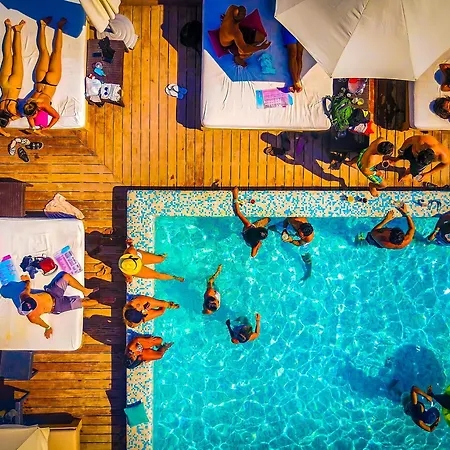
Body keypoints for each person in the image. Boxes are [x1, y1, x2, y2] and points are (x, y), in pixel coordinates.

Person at [18, 272, 98, 339]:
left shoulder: (24, 295)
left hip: (52, 293)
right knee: (84, 302)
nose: (34, 301)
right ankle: (100, 300)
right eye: (34, 305)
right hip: (57, 306)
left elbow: (27, 288)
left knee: (66, 276)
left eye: (31, 301)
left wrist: (27, 281)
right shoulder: (32, 317)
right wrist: (48, 328)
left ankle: (85, 291)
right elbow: (41, 323)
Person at [23, 18, 67, 134]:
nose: (31, 118)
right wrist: (33, 127)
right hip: (40, 79)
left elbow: (56, 117)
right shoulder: (30, 102)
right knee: (43, 51)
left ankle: (60, 27)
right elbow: (29, 116)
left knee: (57, 52)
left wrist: (48, 127)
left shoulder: (44, 106)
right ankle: (42, 26)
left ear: (36, 111)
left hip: (51, 82)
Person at [0, 19, 26, 136]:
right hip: (4, 84)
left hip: (15, 85)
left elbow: (23, 114)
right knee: (7, 55)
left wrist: (7, 133)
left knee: (17, 55)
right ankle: (9, 28)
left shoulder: (13, 112)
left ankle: (18, 31)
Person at [119, 238, 184, 284]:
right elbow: (129, 278)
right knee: (157, 275)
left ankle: (164, 255)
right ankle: (174, 277)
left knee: (160, 259)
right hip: (135, 268)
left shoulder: (131, 251)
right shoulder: (126, 270)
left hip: (138, 257)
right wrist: (128, 279)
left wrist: (130, 243)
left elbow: (131, 246)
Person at [232, 187, 269, 257]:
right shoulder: (254, 243)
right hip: (246, 237)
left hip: (247, 231)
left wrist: (235, 195)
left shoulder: (248, 226)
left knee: (267, 219)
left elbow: (238, 212)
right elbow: (253, 255)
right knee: (268, 220)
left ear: (257, 228)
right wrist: (257, 246)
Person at [280, 25, 303, 93]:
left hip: (301, 26)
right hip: (289, 26)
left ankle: (296, 80)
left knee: (299, 54)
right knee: (293, 53)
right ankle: (296, 81)